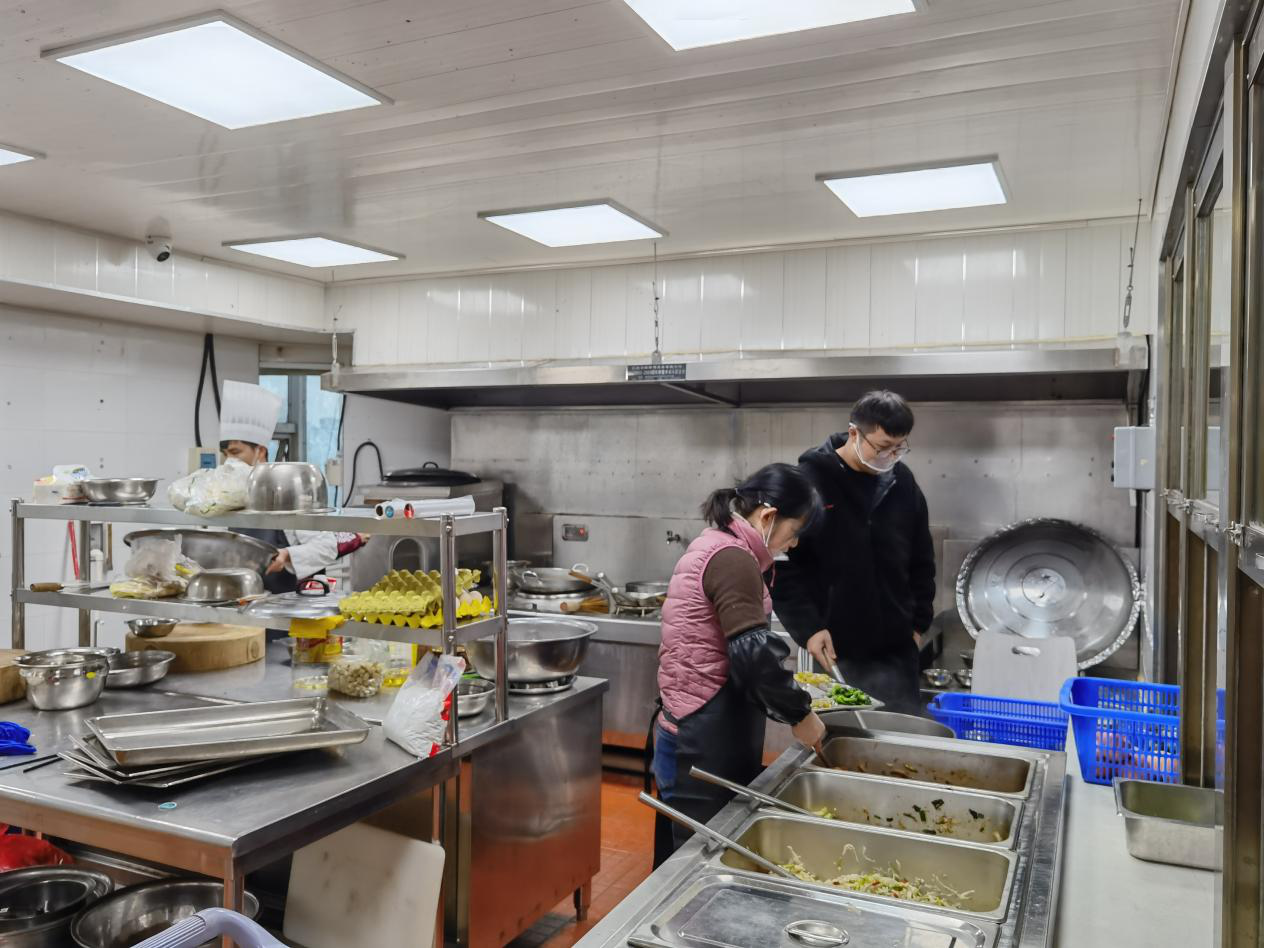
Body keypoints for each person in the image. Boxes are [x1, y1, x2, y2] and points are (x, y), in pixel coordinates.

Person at [651, 463, 827, 866]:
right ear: (768, 516)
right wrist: (799, 713)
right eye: (794, 531)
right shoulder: (733, 559)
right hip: (701, 738)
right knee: (697, 862)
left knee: (687, 854)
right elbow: (753, 654)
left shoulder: (720, 544)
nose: (793, 543)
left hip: (693, 727)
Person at [771, 390, 935, 716]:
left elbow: (922, 557)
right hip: (836, 648)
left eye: (899, 447)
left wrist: (918, 624)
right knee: (844, 734)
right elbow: (782, 567)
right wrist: (808, 629)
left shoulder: (902, 481)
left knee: (900, 734)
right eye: (882, 447)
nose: (890, 456)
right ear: (854, 433)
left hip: (898, 649)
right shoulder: (810, 482)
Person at [219, 380, 339, 593]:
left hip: (288, 602)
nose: (230, 461)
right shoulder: (227, 495)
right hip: (244, 599)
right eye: (225, 454)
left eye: (236, 453)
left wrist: (288, 555)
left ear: (261, 451)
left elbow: (327, 547)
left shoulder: (288, 490)